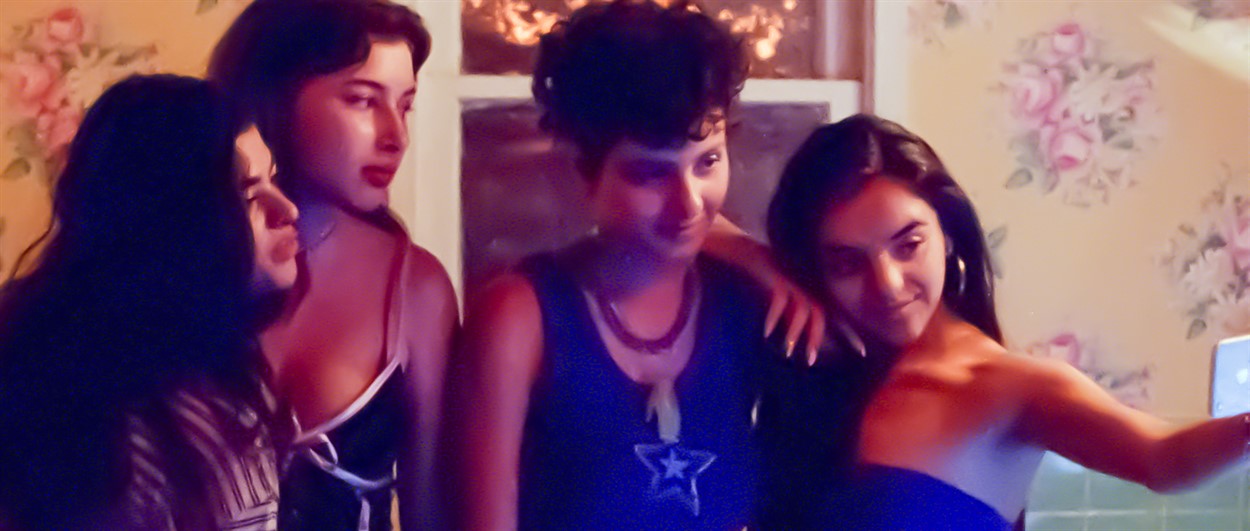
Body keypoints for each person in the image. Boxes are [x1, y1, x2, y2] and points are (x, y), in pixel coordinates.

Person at [766, 113, 1250, 529]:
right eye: (848, 264)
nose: (888, 285)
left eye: (909, 245)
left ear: (948, 234)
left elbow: (1164, 457)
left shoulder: (1008, 388)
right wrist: (752, 260)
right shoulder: (813, 373)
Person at [443, 1, 824, 529]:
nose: (688, 203)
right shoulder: (522, 316)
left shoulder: (748, 302)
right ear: (584, 173)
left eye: (708, 162)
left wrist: (756, 257)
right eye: (650, 175)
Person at [0, 74, 300, 530]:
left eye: (274, 179)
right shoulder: (138, 431)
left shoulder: (214, 366)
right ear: (172, 222)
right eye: (247, 194)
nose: (288, 210)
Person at [208, 1, 458, 528]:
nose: (396, 137)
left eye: (406, 106)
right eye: (363, 101)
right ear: (274, 99)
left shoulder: (415, 287)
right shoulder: (182, 261)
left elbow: (432, 514)